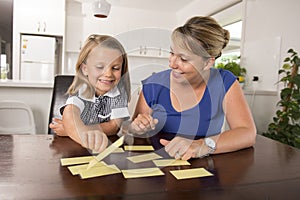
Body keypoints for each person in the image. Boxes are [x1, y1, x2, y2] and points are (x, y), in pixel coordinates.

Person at [129, 16, 256, 160]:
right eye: (172, 53)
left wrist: (201, 145)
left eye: (183, 59)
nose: (172, 64)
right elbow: (134, 131)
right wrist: (138, 127)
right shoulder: (153, 84)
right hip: (159, 166)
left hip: (204, 166)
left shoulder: (224, 81)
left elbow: (247, 133)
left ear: (208, 63)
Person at [49, 34, 131, 153]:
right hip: (75, 146)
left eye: (115, 68)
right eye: (100, 67)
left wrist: (69, 130)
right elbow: (70, 114)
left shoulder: (119, 91)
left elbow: (114, 127)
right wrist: (84, 136)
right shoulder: (82, 88)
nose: (108, 74)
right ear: (85, 69)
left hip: (104, 146)